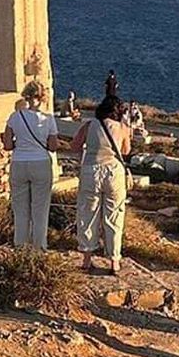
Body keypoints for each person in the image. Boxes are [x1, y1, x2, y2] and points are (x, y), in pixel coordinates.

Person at [72, 95, 131, 275]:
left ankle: (87, 259)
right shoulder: (122, 128)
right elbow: (126, 151)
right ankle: (114, 261)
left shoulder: (90, 125)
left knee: (88, 214)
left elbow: (75, 145)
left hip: (91, 170)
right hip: (114, 173)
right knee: (114, 216)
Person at [2, 81, 61, 250]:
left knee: (20, 210)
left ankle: (20, 247)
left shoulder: (14, 117)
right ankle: (39, 247)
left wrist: (19, 143)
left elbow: (7, 145)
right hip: (40, 163)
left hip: (19, 162)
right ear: (42, 98)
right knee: (40, 209)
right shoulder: (48, 119)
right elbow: (52, 146)